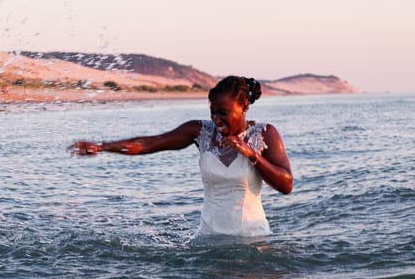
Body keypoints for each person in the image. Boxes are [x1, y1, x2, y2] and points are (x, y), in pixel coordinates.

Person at [70, 76, 292, 237]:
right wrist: (103, 147)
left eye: (223, 112)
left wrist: (249, 153)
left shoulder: (265, 134)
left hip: (251, 240)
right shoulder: (200, 132)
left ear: (244, 106)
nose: (216, 119)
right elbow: (151, 143)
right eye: (212, 112)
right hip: (208, 240)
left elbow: (286, 184)